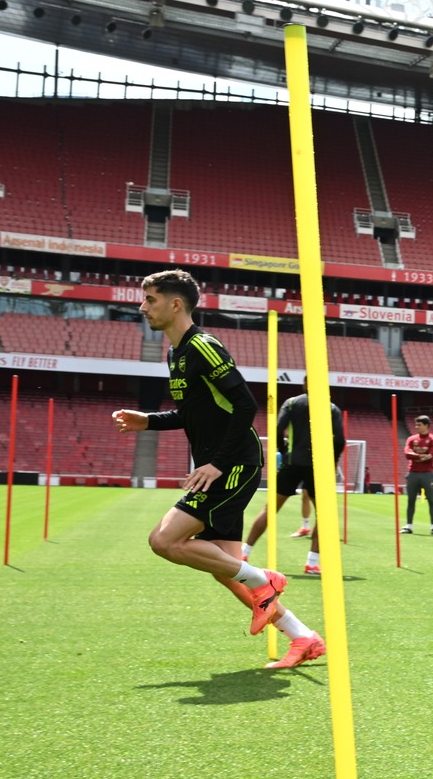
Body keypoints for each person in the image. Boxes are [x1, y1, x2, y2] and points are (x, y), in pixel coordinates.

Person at [112, 269, 323, 670]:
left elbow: (245, 405)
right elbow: (194, 414)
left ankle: (266, 579)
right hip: (218, 464)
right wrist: (148, 421)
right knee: (226, 570)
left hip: (232, 464)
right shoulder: (176, 353)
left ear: (176, 304)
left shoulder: (204, 346)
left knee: (164, 540)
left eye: (150, 299)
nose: (142, 307)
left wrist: (216, 463)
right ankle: (304, 637)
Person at [248, 387, 341, 576]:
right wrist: (333, 461)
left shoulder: (291, 403)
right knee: (323, 516)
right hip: (318, 465)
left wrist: (283, 452)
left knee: (269, 509)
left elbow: (277, 429)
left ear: (304, 385)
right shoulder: (331, 408)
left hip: (292, 462)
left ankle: (244, 553)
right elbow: (339, 439)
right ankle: (312, 563)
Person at [400, 415, 433, 536]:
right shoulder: (411, 439)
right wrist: (420, 456)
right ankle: (409, 526)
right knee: (410, 500)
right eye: (416, 424)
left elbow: (431, 455)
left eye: (419, 425)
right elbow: (407, 453)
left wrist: (416, 455)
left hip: (427, 474)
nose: (416, 427)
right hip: (413, 473)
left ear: (426, 425)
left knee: (431, 501)